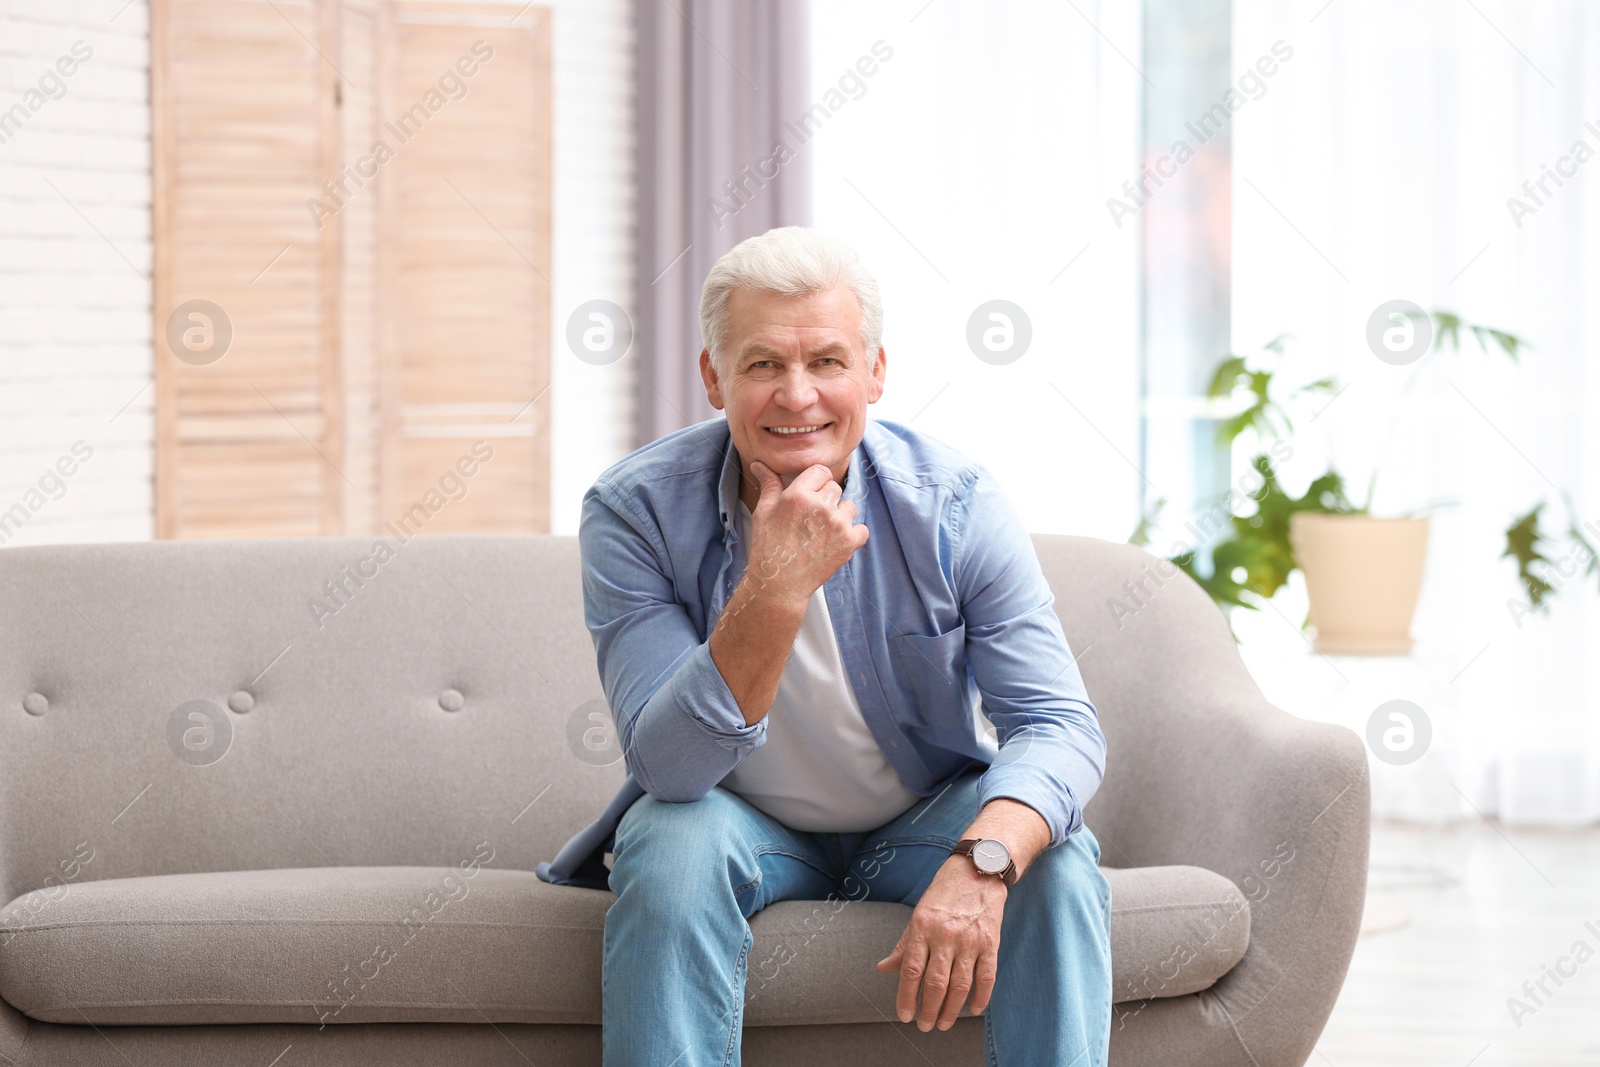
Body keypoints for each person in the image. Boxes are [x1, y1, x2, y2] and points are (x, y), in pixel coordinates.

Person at [536, 226, 1111, 1066]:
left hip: (921, 814)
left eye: (828, 362)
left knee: (1052, 862)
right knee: (666, 839)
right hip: (735, 820)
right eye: (764, 363)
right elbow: (669, 765)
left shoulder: (955, 503)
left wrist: (983, 863)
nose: (798, 397)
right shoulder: (634, 513)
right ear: (713, 377)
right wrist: (774, 587)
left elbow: (1059, 724)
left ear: (875, 372)